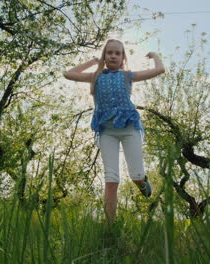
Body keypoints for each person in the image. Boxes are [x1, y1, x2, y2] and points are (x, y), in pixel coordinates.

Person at [63, 39, 165, 224]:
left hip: (129, 130)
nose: (113, 56)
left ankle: (142, 182)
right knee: (111, 178)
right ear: (104, 56)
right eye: (109, 52)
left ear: (123, 57)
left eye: (117, 53)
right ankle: (110, 226)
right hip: (107, 132)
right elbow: (68, 74)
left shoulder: (127, 76)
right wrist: (93, 62)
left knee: (135, 175)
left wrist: (156, 57)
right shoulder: (95, 76)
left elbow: (159, 71)